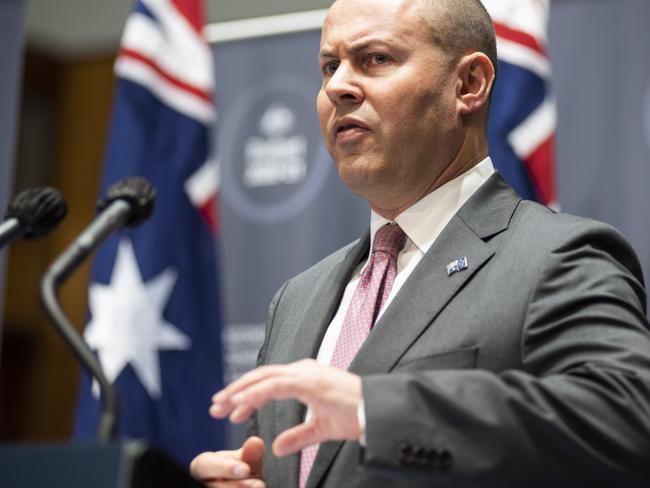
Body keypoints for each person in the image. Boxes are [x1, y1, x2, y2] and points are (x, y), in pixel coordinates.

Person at [190, 0, 650, 486]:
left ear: (469, 84)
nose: (338, 86)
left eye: (376, 59)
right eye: (330, 66)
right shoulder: (296, 301)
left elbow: (628, 416)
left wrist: (376, 411)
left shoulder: (553, 257)